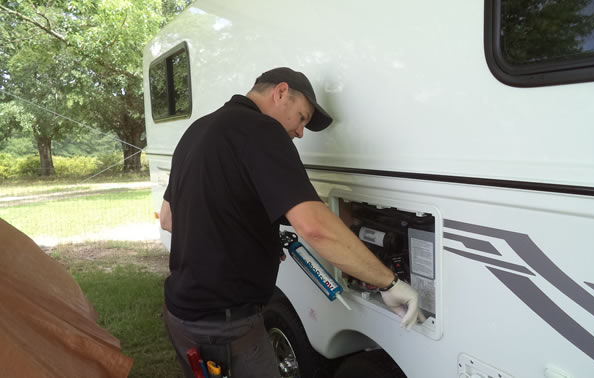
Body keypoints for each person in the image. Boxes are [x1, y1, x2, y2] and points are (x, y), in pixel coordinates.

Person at [160, 67, 422, 378]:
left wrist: (253, 240)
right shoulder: (262, 129)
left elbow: (170, 218)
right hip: (226, 327)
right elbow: (314, 228)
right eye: (302, 118)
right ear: (281, 92)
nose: (300, 132)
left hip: (181, 316)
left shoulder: (198, 130)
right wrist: (388, 283)